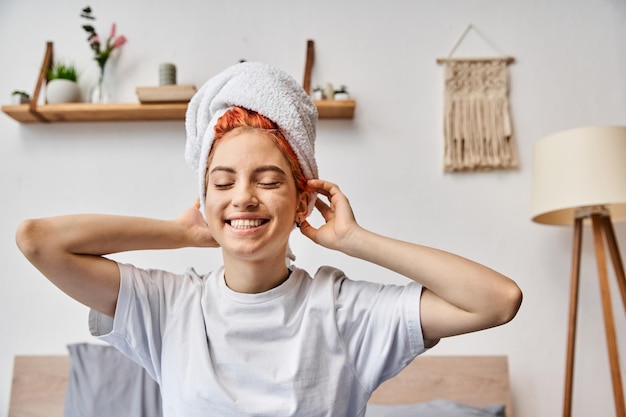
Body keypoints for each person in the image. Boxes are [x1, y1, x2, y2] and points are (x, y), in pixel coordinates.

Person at [15, 62, 522, 417]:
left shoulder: (345, 311)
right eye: (222, 182)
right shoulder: (166, 306)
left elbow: (498, 301)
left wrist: (353, 239)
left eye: (268, 180)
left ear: (302, 201)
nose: (243, 197)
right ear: (206, 197)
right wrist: (179, 233)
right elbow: (38, 240)